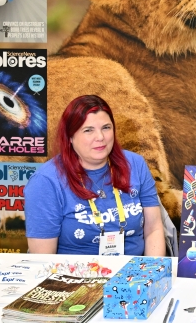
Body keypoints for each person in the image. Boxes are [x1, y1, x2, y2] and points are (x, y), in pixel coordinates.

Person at [24, 94, 174, 256]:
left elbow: (153, 229)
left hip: (135, 269)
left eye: (106, 128)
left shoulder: (136, 165)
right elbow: (44, 258)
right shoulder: (45, 181)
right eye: (88, 130)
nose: (100, 137)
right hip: (75, 270)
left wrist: (151, 269)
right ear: (70, 137)